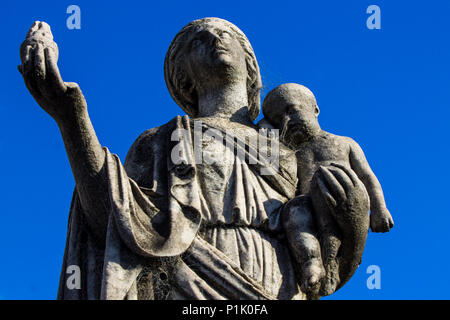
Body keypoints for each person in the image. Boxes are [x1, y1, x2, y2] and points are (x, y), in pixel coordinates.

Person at [18, 19, 370, 299]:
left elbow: (326, 271)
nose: (214, 38)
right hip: (185, 281)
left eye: (224, 34)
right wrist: (69, 116)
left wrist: (354, 219)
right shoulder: (162, 140)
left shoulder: (282, 145)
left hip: (279, 284)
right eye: (198, 40)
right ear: (183, 77)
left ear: (249, 64)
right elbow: (112, 218)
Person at [260, 83, 393, 295]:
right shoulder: (289, 152)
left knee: (326, 186)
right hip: (308, 211)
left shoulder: (343, 143)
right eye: (278, 119)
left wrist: (379, 209)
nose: (287, 120)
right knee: (294, 210)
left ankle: (330, 262)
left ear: (315, 109)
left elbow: (367, 176)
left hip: (343, 202)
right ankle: (311, 263)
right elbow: (265, 153)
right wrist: (266, 127)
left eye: (292, 110)